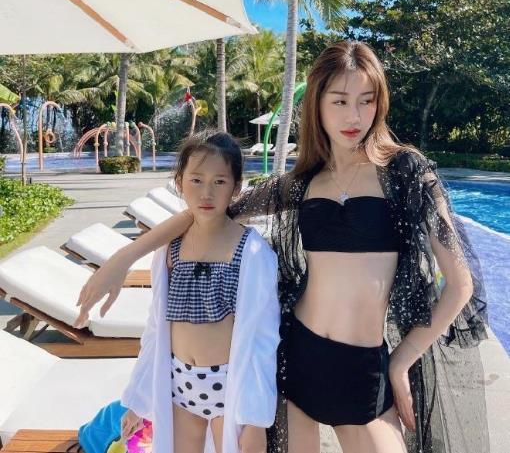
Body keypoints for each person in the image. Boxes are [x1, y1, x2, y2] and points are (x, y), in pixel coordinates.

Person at [75, 42, 489, 453]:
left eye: (366, 101)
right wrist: (123, 259)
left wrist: (402, 359)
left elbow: (460, 285)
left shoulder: (406, 172)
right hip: (298, 357)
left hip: (363, 368)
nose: (354, 116)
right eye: (339, 101)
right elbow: (212, 211)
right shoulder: (305, 182)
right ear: (317, 104)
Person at [95, 132, 280, 453]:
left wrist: (255, 421)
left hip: (230, 389)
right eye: (196, 180)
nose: (207, 192)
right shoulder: (170, 248)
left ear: (236, 187)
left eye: (219, 182)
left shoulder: (251, 250)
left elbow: (262, 338)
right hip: (180, 387)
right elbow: (156, 329)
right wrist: (139, 401)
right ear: (180, 183)